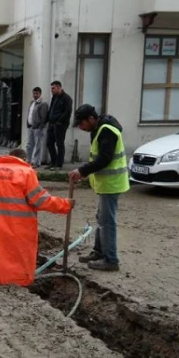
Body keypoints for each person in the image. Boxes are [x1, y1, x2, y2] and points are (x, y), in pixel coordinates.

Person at [0, 148, 74, 286]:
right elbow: (40, 200)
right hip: (16, 228)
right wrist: (65, 204)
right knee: (16, 260)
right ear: (24, 159)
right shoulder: (26, 173)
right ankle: (17, 286)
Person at [69, 104, 129, 272]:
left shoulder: (107, 131)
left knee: (107, 222)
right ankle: (99, 252)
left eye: (82, 123)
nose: (81, 127)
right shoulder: (99, 129)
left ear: (91, 119)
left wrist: (82, 171)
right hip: (106, 184)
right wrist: (86, 173)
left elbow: (104, 159)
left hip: (112, 184)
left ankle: (111, 260)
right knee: (101, 218)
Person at [45, 81, 73, 170]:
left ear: (59, 87)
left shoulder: (67, 98)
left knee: (59, 144)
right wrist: (47, 119)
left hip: (60, 125)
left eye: (53, 88)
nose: (51, 90)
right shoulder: (54, 97)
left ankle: (59, 164)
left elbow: (67, 112)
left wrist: (59, 121)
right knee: (49, 143)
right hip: (51, 124)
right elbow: (51, 109)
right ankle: (53, 162)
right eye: (51, 88)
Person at [25, 87, 49, 168]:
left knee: (37, 145)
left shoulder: (43, 103)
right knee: (29, 144)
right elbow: (29, 114)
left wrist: (40, 127)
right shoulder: (32, 102)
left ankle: (36, 162)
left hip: (38, 128)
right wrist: (28, 124)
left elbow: (44, 117)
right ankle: (28, 160)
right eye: (34, 93)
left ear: (40, 94)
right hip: (31, 127)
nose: (35, 95)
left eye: (36, 93)